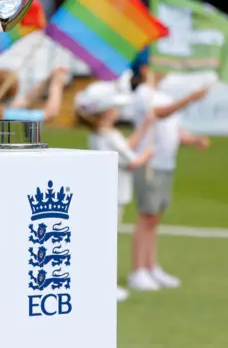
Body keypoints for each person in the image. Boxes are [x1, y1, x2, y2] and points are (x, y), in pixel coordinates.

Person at [129, 58, 210, 292]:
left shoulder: (161, 95)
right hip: (149, 162)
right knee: (146, 217)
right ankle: (138, 270)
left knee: (155, 218)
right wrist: (190, 99)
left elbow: (173, 129)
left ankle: (151, 266)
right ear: (145, 70)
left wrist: (194, 140)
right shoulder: (144, 94)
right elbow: (160, 114)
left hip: (166, 163)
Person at [75, 81, 154, 302]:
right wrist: (147, 154)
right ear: (106, 112)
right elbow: (132, 161)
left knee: (105, 239)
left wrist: (144, 128)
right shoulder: (109, 135)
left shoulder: (102, 135)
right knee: (108, 241)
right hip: (114, 193)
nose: (118, 111)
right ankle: (103, 285)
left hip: (107, 192)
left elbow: (126, 150)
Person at [0, 67, 68, 123]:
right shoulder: (8, 114)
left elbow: (28, 99)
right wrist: (57, 84)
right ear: (16, 90)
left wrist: (48, 80)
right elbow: (50, 114)